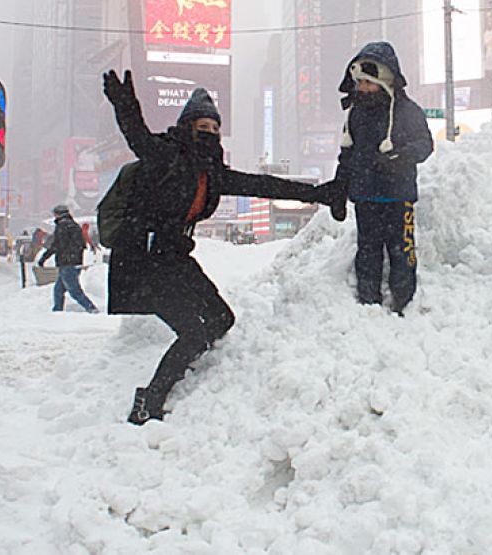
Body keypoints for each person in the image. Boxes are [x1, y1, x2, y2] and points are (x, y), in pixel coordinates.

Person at [102, 70, 345, 425]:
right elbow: (138, 138)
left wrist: (317, 193)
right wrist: (126, 106)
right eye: (203, 125)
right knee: (194, 331)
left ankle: (189, 365)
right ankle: (149, 401)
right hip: (144, 262)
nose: (210, 133)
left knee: (221, 319)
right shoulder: (166, 158)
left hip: (175, 259)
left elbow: (262, 185)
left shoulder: (211, 173)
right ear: (187, 127)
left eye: (215, 128)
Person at [332, 42, 434, 315]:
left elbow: (425, 144)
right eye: (360, 82)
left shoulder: (407, 110)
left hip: (399, 198)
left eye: (369, 82)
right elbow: (347, 155)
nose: (363, 88)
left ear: (384, 79)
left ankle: (404, 303)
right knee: (367, 252)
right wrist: (338, 190)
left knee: (403, 251)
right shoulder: (354, 114)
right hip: (365, 198)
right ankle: (369, 304)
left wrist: (400, 157)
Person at [37, 205, 99, 314]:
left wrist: (44, 258)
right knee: (58, 290)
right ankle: (57, 311)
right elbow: (80, 244)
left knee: (74, 290)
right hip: (73, 261)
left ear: (58, 214)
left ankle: (91, 309)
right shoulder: (74, 226)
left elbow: (56, 245)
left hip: (67, 262)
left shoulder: (62, 227)